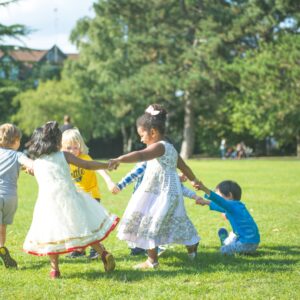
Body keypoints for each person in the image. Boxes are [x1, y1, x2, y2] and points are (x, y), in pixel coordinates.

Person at [23, 121, 119, 279]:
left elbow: (46, 175)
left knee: (51, 234)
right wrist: (106, 165)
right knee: (84, 227)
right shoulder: (64, 156)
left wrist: (31, 171)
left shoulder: (37, 163)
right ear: (57, 142)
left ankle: (55, 269)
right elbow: (87, 165)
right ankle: (103, 253)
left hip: (47, 203)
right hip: (70, 198)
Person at [109, 104, 201, 269]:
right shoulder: (170, 147)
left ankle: (152, 261)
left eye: (142, 135)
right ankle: (192, 246)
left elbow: (141, 155)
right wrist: (194, 180)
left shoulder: (159, 147)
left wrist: (119, 159)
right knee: (175, 220)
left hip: (161, 193)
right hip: (169, 192)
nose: (141, 139)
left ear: (153, 132)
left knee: (150, 221)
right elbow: (184, 167)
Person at [61, 128, 118, 259]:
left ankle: (97, 250)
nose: (72, 151)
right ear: (62, 148)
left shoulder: (85, 158)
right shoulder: (64, 162)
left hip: (91, 195)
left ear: (81, 146)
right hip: (75, 197)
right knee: (76, 223)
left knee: (90, 224)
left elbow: (99, 169)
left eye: (75, 147)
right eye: (68, 148)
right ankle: (79, 250)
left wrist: (109, 181)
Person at [195, 180, 260, 255]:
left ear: (229, 195)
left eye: (219, 195)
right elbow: (220, 206)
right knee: (233, 234)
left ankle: (225, 243)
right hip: (254, 243)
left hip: (245, 244)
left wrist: (204, 189)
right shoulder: (239, 205)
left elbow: (219, 201)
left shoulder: (230, 205)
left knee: (223, 250)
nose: (218, 199)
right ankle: (227, 242)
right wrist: (205, 202)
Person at [0, 123, 34, 269]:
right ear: (16, 140)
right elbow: (31, 164)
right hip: (10, 197)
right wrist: (31, 168)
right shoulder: (18, 155)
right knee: (2, 227)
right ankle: (1, 246)